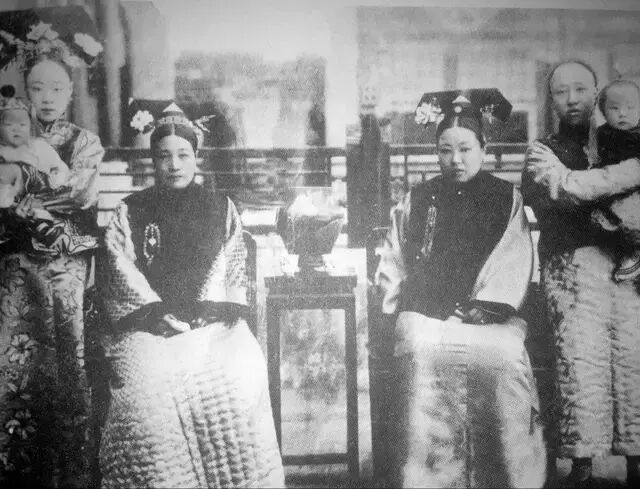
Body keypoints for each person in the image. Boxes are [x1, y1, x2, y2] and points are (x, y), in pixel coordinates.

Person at [95, 103, 285, 488]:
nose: (174, 165)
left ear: (197, 157)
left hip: (212, 325)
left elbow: (231, 262)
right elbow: (118, 267)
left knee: (238, 374)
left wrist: (205, 313)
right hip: (146, 327)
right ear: (153, 160)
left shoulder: (220, 207)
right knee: (146, 392)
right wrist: (156, 316)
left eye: (183, 155)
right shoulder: (131, 210)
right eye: (164, 156)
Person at [376, 88, 546, 488]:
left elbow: (514, 258)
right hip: (429, 314)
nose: (456, 159)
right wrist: (416, 306)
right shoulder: (419, 198)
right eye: (445, 150)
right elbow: (395, 261)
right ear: (436, 153)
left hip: (490, 317)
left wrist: (485, 306)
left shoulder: (506, 198)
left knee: (502, 357)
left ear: (483, 149)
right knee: (420, 351)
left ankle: (503, 475)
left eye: (466, 149)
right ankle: (427, 477)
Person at [523, 59, 640, 488]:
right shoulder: (542, 151)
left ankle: (636, 460)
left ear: (596, 94)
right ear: (551, 99)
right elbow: (557, 197)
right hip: (570, 269)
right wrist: (623, 189)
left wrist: (584, 187)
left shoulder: (623, 140)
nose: (572, 99)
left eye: (580, 89)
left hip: (626, 271)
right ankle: (581, 464)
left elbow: (578, 192)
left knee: (633, 362)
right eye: (560, 91)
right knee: (579, 364)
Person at [0, 16, 104, 487]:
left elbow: (80, 194)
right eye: (37, 87)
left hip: (65, 263)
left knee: (65, 366)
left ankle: (69, 476)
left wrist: (26, 199)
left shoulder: (84, 142)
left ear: (70, 93)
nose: (46, 97)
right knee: (16, 363)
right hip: (17, 260)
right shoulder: (9, 139)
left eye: (56, 89)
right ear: (26, 90)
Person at [588, 79, 640, 282]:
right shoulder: (602, 134)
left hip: (635, 191)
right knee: (604, 218)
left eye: (630, 108)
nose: (622, 113)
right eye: (614, 108)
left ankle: (634, 254)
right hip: (611, 189)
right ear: (603, 111)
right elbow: (595, 159)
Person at [0, 85, 70, 209]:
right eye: (9, 124)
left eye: (22, 124)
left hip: (38, 197)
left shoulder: (38, 146)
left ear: (30, 126)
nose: (16, 129)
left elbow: (60, 169)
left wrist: (54, 179)